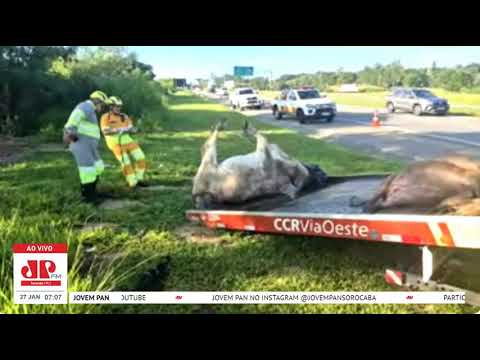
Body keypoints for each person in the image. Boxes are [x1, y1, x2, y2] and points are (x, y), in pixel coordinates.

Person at [63, 90, 110, 203]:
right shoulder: (85, 106)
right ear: (97, 100)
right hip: (81, 144)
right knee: (87, 170)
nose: (103, 107)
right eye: (103, 104)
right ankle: (88, 197)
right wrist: (70, 132)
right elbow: (73, 119)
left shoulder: (91, 111)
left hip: (89, 146)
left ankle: (93, 192)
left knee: (98, 167)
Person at [100, 96, 148, 189]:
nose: (119, 108)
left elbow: (131, 128)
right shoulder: (105, 117)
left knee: (141, 158)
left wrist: (135, 130)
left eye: (120, 106)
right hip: (116, 143)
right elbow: (105, 131)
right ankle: (132, 183)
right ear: (110, 106)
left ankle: (139, 179)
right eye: (116, 106)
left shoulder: (124, 116)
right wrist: (120, 130)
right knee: (126, 163)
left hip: (128, 140)